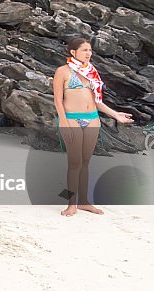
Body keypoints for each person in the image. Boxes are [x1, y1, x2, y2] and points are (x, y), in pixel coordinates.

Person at [53, 37, 134, 217]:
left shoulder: (92, 72)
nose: (88, 53)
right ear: (73, 52)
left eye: (90, 50)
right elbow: (58, 100)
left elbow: (97, 102)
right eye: (84, 50)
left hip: (92, 119)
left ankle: (84, 202)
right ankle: (71, 204)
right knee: (74, 163)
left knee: (85, 163)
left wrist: (115, 115)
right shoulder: (63, 72)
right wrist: (64, 121)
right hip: (72, 119)